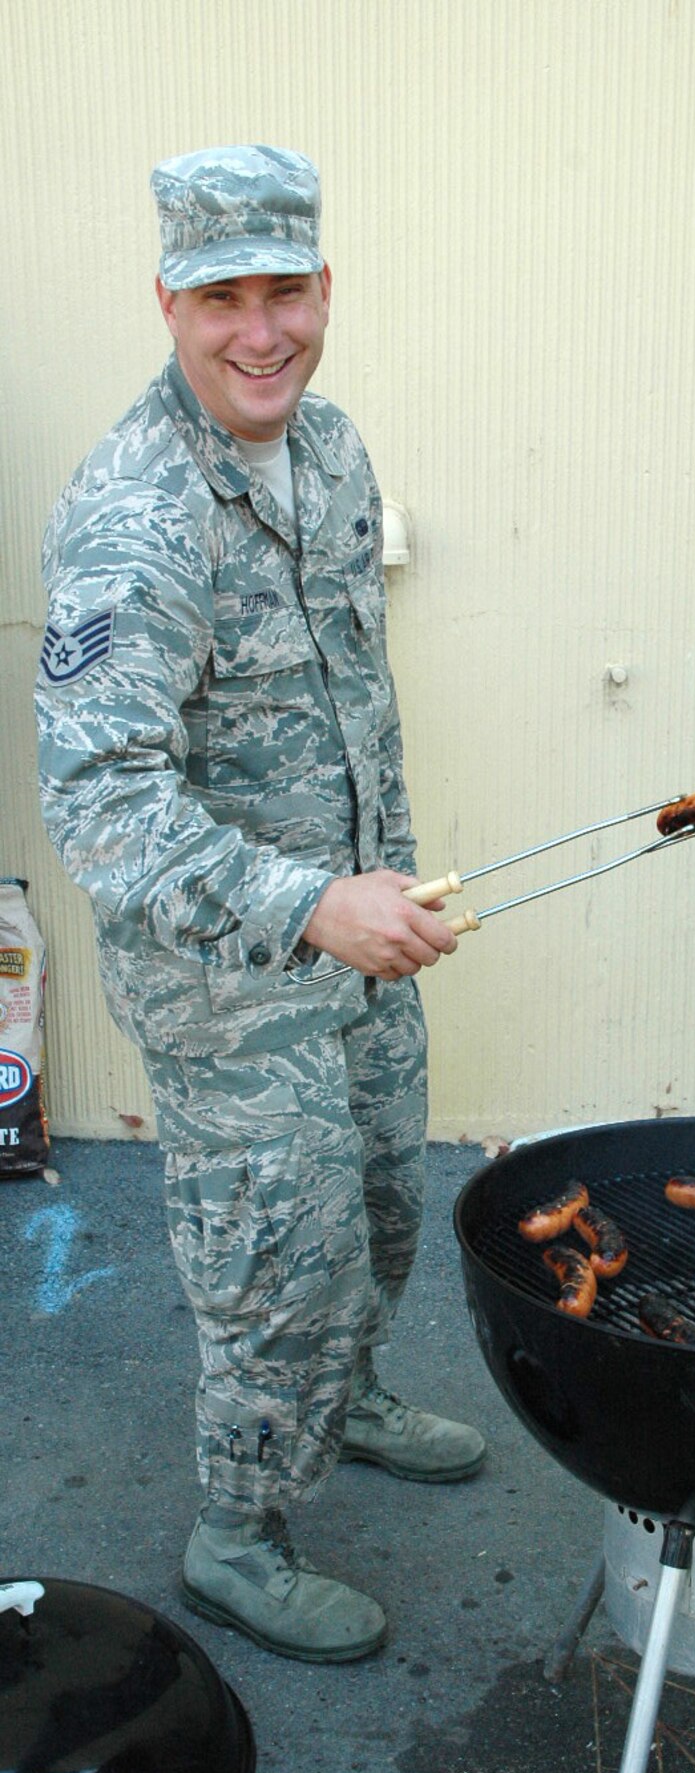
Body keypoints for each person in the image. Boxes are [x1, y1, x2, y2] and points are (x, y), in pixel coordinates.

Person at [36, 145, 485, 1665]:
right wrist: (309, 908)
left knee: (377, 1198)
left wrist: (367, 900)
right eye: (220, 296)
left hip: (360, 935)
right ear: (166, 302)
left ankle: (344, 1404)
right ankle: (237, 1533)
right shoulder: (133, 517)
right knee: (275, 1257)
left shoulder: (336, 450)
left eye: (285, 289)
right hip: (230, 972)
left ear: (325, 287)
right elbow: (102, 807)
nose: (260, 330)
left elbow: (351, 693)